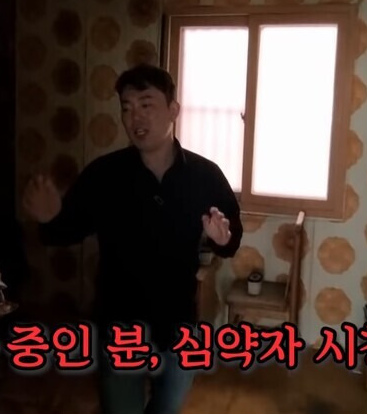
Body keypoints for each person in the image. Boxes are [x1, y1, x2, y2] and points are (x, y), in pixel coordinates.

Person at [21, 64, 243, 414]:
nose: (135, 116)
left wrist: (221, 238)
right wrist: (50, 218)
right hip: (121, 326)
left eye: (146, 104)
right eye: (126, 108)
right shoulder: (104, 175)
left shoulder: (205, 175)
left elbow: (231, 240)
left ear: (173, 110)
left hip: (178, 325)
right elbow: (64, 231)